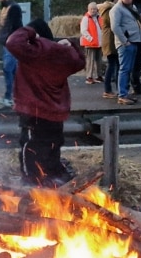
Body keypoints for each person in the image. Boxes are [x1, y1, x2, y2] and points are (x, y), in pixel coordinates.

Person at [5, 19, 85, 188]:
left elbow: (12, 42)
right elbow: (80, 61)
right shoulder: (62, 52)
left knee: (31, 144)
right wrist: (70, 43)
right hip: (56, 110)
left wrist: (30, 30)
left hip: (33, 109)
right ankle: (53, 175)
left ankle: (31, 180)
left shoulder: (34, 51)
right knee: (53, 143)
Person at [110, 0, 141, 105]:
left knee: (128, 69)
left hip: (134, 41)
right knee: (124, 69)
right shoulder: (117, 9)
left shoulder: (131, 7)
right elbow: (115, 27)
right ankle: (122, 95)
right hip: (126, 43)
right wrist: (125, 41)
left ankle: (125, 92)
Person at [0, 0, 24, 108]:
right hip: (8, 43)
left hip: (11, 44)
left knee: (9, 69)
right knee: (11, 70)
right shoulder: (6, 7)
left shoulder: (13, 8)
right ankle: (13, 96)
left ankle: (9, 97)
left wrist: (9, 40)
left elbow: (13, 27)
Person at [99, 0, 120, 99]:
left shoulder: (106, 8)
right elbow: (112, 23)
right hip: (110, 40)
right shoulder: (110, 10)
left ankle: (117, 88)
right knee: (112, 65)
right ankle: (107, 90)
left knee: (115, 65)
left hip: (110, 40)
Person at [80, 2, 104, 84]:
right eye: (92, 9)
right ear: (88, 9)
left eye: (95, 9)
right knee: (90, 61)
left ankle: (98, 76)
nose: (93, 10)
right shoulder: (86, 18)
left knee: (99, 61)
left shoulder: (98, 17)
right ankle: (89, 77)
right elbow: (83, 30)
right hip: (90, 44)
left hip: (98, 43)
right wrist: (90, 39)